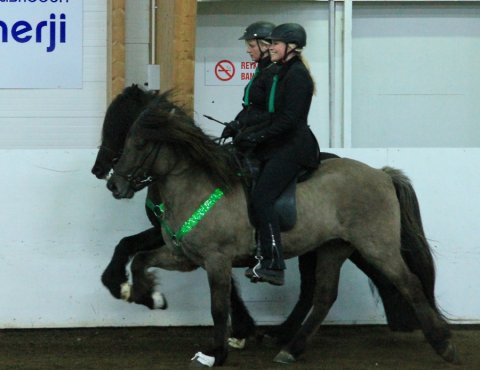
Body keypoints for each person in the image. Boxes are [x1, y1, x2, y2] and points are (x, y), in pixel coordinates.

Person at [234, 23, 320, 286]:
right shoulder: (281, 71)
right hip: (280, 143)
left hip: (295, 147)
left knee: (262, 198)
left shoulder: (297, 76)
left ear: (291, 48)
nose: (271, 48)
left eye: (276, 44)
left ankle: (273, 264)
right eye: (270, 44)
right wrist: (240, 129)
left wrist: (258, 135)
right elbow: (268, 114)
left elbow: (290, 120)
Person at [221, 21, 277, 140]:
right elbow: (251, 107)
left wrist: (242, 124)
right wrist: (236, 122)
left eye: (251, 46)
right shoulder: (262, 70)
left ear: (266, 46)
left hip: (267, 134)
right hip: (255, 128)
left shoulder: (274, 72)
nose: (248, 50)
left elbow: (272, 113)